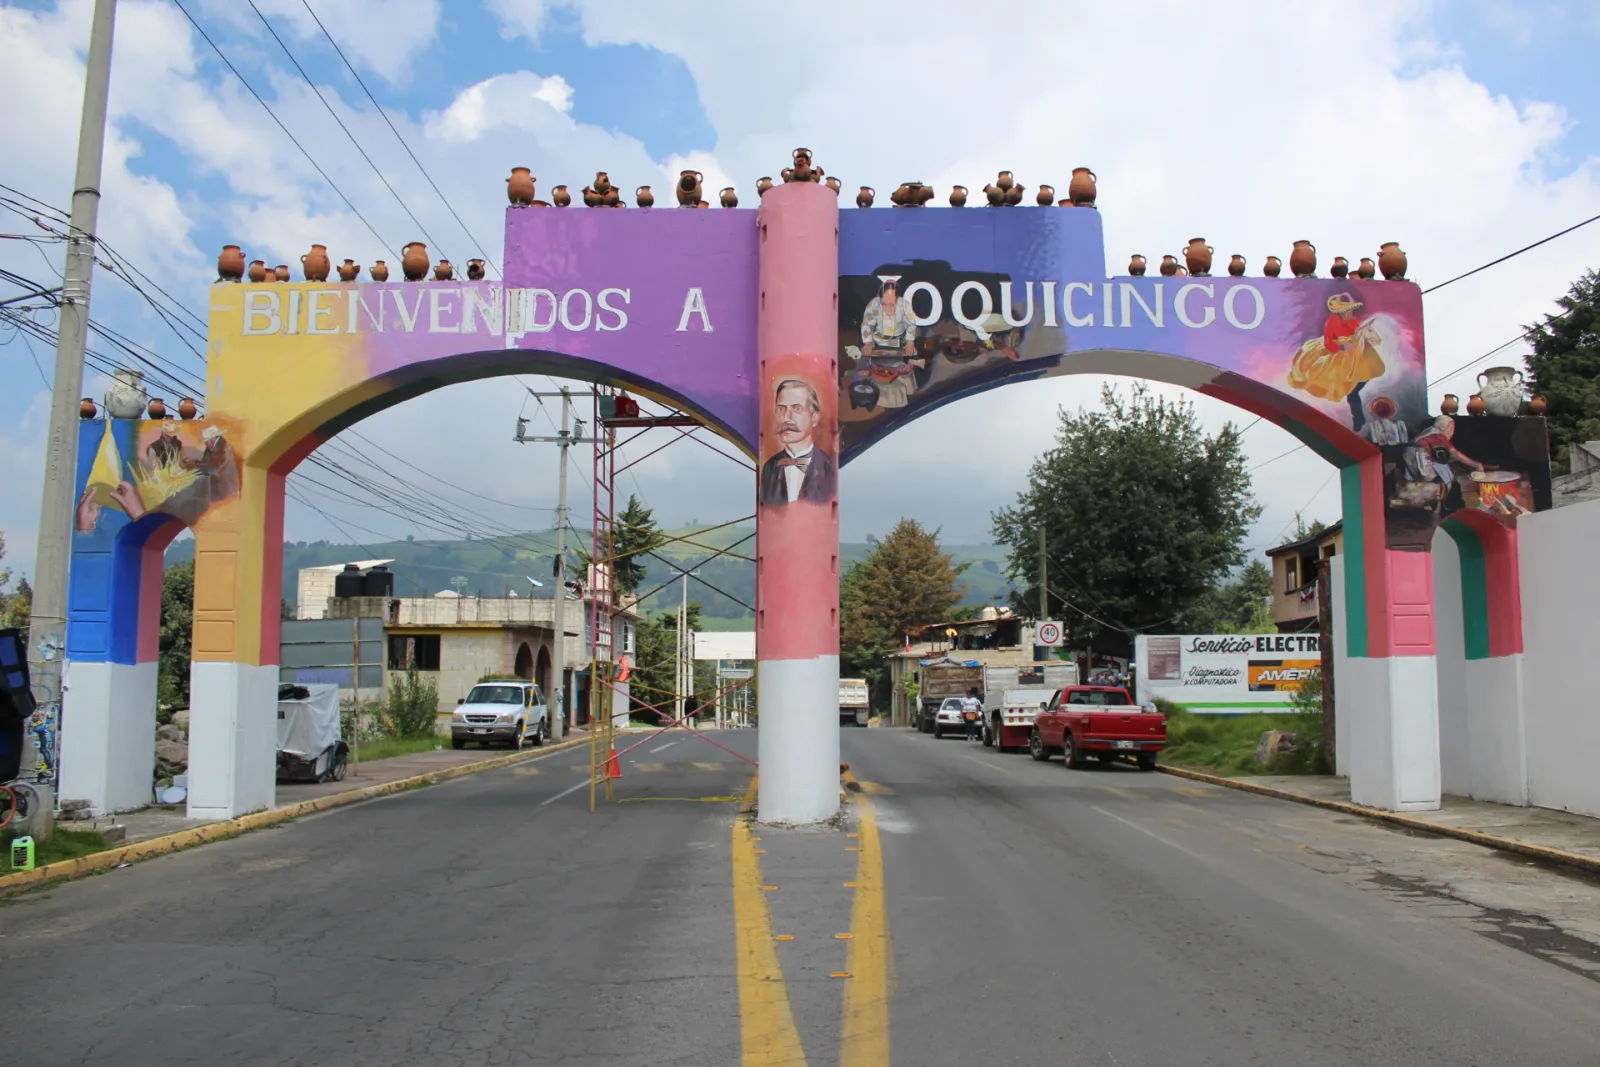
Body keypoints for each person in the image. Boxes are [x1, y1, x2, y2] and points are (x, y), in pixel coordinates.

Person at [1287, 292, 1386, 431]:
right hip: (1339, 354)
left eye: (1351, 309)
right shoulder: (1332, 322)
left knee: (1358, 384)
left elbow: (1357, 333)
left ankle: (1359, 409)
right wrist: (1341, 346)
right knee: (1343, 386)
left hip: (1354, 354)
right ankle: (1357, 417)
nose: (1350, 312)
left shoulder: (1354, 320)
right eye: (1347, 310)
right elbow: (1328, 342)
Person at [759, 378, 838, 506]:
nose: (786, 418)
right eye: (781, 409)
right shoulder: (769, 468)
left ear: (814, 418)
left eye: (796, 409)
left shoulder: (827, 467)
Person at [857, 276, 924, 409]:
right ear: (880, 298)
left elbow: (911, 325)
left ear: (896, 298)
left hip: (899, 342)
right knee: (874, 368)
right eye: (885, 301)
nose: (888, 304)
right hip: (879, 343)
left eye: (891, 301)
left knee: (905, 366)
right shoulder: (874, 305)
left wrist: (910, 343)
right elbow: (866, 325)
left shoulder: (904, 306)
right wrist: (868, 343)